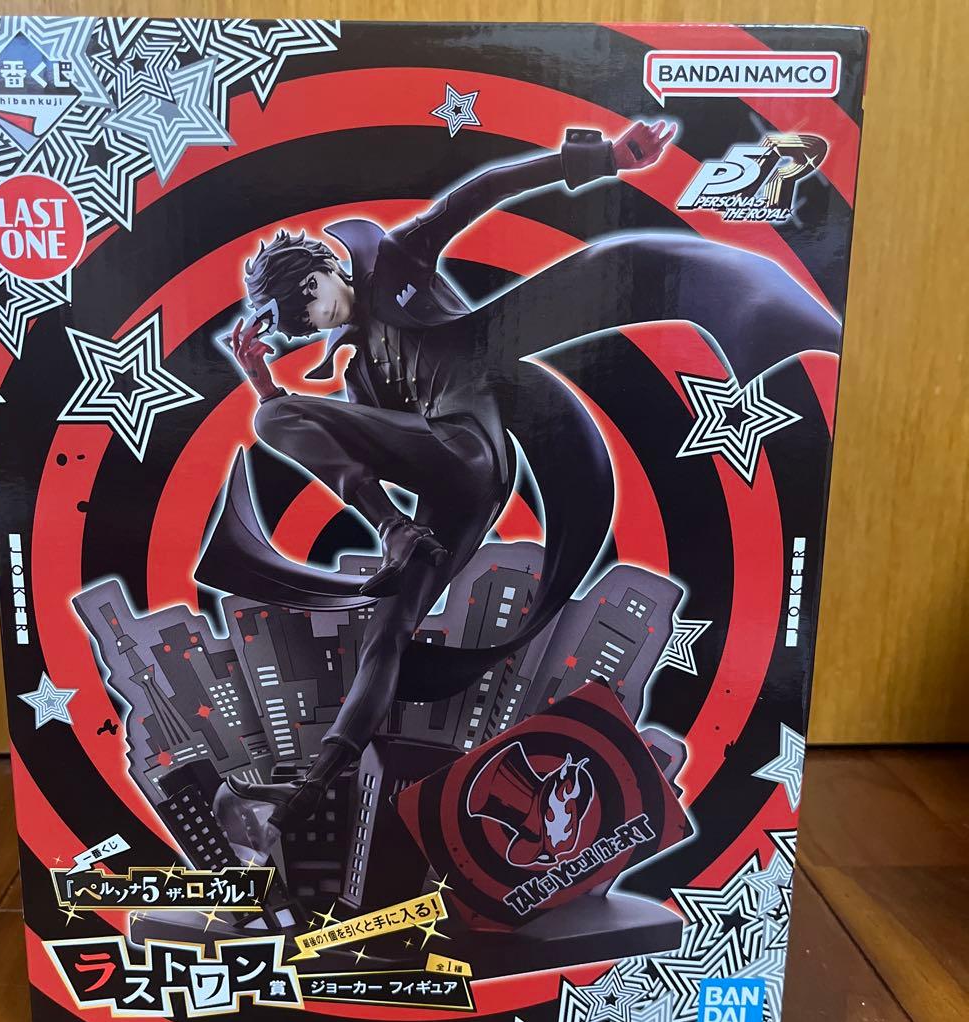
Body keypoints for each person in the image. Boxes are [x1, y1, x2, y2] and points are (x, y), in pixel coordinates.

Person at [200, 119, 840, 837]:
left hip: (473, 451)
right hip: (445, 495)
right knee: (387, 631)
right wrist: (265, 384)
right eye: (297, 323)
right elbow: (358, 447)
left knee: (278, 418)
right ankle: (314, 785)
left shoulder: (397, 263)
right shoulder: (363, 379)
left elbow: (480, 191)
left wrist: (602, 157)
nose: (310, 323)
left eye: (304, 305)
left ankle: (393, 531)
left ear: (320, 272)